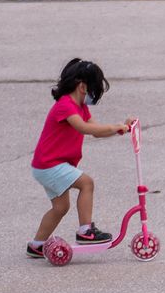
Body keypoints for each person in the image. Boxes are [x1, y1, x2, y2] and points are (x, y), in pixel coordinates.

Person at [28, 58, 131, 258]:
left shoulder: (81, 107)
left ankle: (36, 244)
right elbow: (83, 128)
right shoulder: (65, 106)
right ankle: (86, 231)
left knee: (60, 207)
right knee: (87, 184)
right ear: (83, 86)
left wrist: (120, 129)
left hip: (47, 165)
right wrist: (114, 126)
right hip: (50, 165)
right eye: (94, 89)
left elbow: (96, 131)